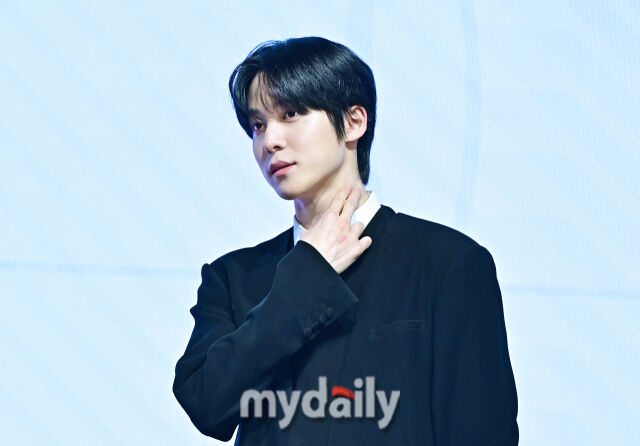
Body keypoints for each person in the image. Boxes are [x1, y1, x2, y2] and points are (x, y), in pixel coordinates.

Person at [172, 36, 518, 445]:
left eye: (291, 113)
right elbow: (206, 403)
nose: (269, 141)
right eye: (257, 125)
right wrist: (306, 275)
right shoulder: (234, 276)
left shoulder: (448, 263)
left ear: (354, 122)